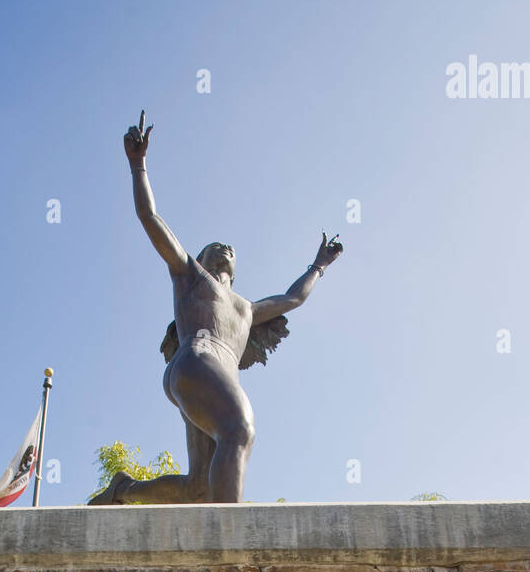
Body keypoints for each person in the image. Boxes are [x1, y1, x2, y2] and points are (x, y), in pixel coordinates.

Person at [89, 111, 343, 506]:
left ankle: (123, 490)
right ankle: (232, 544)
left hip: (208, 377)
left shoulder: (247, 308)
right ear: (203, 260)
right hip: (197, 358)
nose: (226, 249)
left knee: (200, 487)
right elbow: (150, 218)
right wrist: (138, 165)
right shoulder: (191, 276)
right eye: (215, 247)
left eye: (231, 250)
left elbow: (294, 299)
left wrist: (319, 266)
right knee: (240, 430)